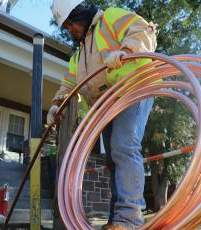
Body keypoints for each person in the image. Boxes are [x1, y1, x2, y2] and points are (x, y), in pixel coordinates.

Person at [48, 1, 157, 229]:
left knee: (123, 147)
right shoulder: (79, 55)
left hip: (132, 89)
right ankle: (116, 220)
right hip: (106, 107)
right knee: (112, 159)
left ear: (81, 13)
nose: (70, 30)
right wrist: (57, 104)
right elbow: (69, 83)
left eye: (70, 23)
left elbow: (141, 29)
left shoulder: (110, 18)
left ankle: (129, 220)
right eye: (66, 26)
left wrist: (125, 51)